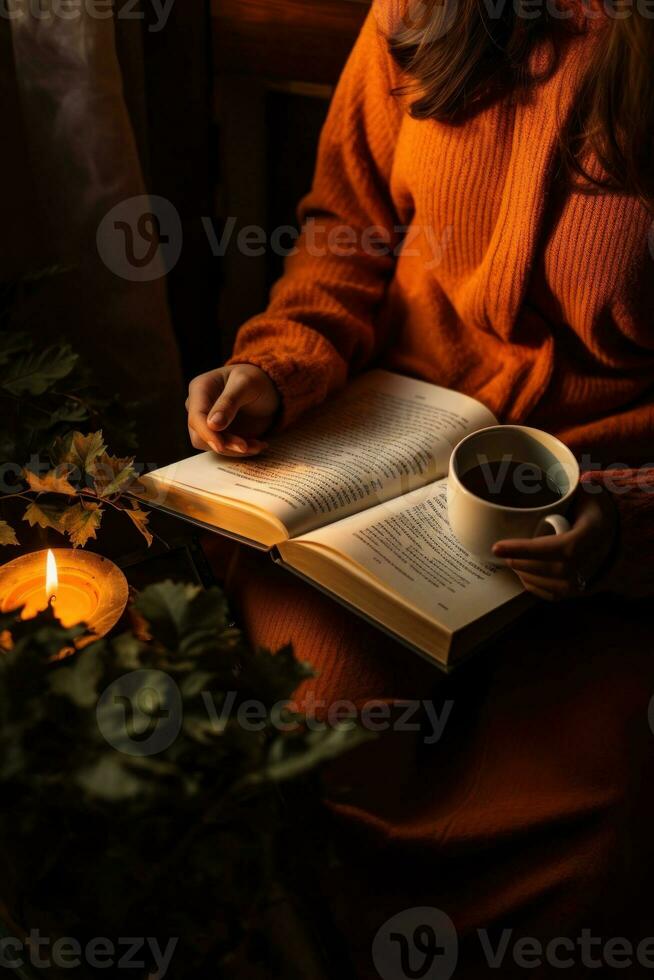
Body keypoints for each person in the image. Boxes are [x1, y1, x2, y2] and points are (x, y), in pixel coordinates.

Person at [187, 0, 654, 974]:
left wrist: (627, 516)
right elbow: (344, 234)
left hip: (604, 499)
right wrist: (282, 364)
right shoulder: (417, 8)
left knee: (581, 826)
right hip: (388, 454)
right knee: (315, 740)